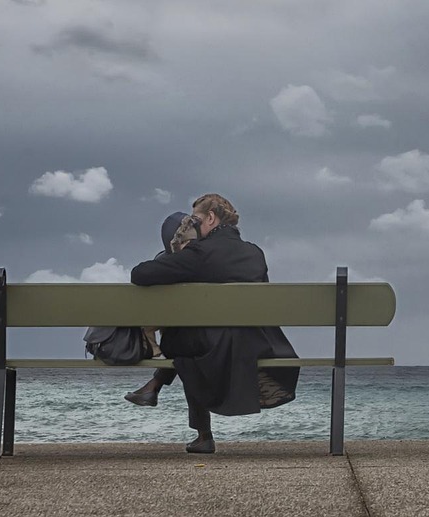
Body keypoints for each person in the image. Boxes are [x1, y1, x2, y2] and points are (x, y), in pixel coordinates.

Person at [129, 194, 300, 454]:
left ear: (210, 218)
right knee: (188, 340)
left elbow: (140, 274)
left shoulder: (200, 254)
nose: (192, 226)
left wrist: (172, 254)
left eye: (195, 220)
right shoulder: (254, 252)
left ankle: (198, 429)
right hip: (255, 342)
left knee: (180, 341)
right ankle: (155, 389)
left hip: (213, 347)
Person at [122, 211, 198, 403]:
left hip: (183, 341)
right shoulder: (207, 260)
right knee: (186, 352)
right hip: (215, 335)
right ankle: (153, 386)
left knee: (184, 351)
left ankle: (153, 385)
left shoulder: (165, 262)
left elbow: (138, 275)